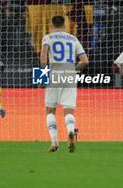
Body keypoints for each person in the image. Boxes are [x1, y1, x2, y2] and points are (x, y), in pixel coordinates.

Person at [40, 15, 89, 153]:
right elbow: (85, 60)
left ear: (52, 25)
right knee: (68, 111)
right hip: (69, 74)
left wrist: (42, 76)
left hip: (54, 73)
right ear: (65, 25)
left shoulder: (48, 37)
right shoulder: (73, 39)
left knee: (50, 111)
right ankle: (70, 132)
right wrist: (73, 70)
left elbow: (43, 54)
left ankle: (54, 142)